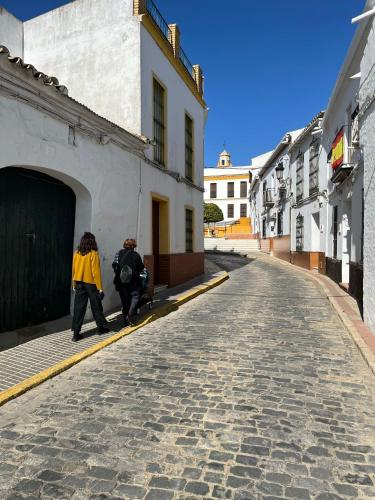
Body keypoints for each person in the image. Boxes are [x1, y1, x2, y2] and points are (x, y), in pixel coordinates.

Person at [71, 232, 109, 341]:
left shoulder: (76, 253)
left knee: (79, 308)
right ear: (92, 242)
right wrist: (100, 287)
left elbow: (73, 270)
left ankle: (76, 334)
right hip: (91, 284)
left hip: (79, 283)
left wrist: (74, 284)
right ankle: (100, 328)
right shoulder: (93, 253)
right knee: (96, 306)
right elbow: (95, 272)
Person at [113, 238, 144, 325]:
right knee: (135, 296)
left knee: (125, 300)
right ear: (134, 246)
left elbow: (114, 265)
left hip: (120, 281)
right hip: (133, 281)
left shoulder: (118, 253)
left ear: (125, 245)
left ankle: (125, 319)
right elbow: (141, 268)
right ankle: (130, 314)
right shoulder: (136, 255)